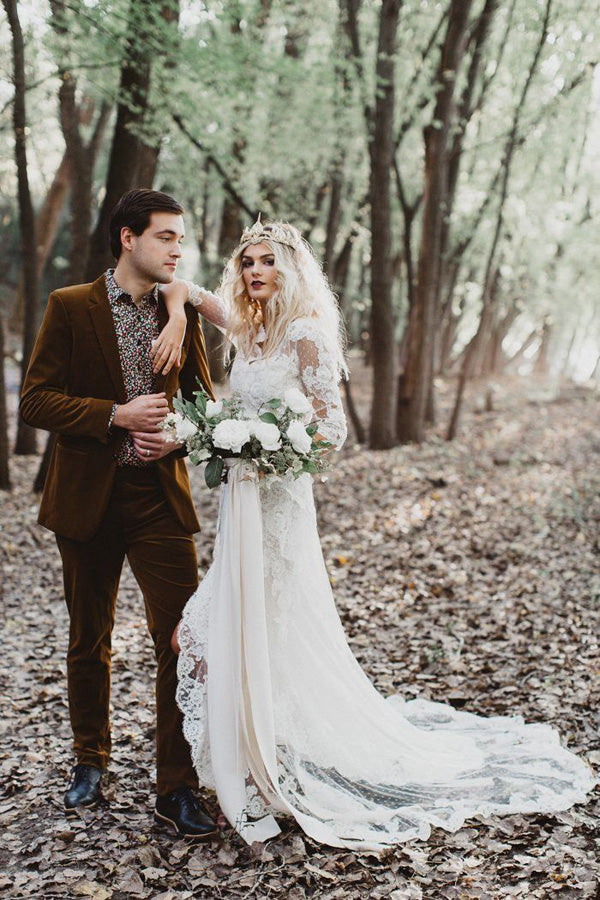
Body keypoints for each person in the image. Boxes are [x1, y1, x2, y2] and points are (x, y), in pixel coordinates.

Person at [154, 218, 595, 851]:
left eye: (268, 262)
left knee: (242, 630)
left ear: (291, 269)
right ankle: (253, 763)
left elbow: (330, 432)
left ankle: (266, 770)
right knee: (227, 630)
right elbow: (189, 291)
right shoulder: (248, 329)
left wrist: (265, 447)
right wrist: (175, 313)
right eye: (247, 261)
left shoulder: (305, 333)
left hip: (277, 506)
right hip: (239, 508)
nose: (255, 271)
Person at [20, 189, 218, 840]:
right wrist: (114, 415)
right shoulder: (70, 307)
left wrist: (182, 434)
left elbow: (204, 408)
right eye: (166, 236)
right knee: (89, 639)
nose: (177, 248)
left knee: (185, 641)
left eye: (181, 239)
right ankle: (89, 759)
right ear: (128, 238)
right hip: (87, 497)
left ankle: (176, 785)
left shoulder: (177, 310)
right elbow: (37, 401)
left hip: (160, 498)